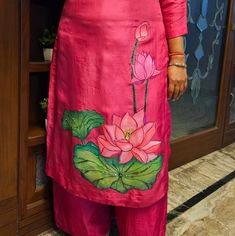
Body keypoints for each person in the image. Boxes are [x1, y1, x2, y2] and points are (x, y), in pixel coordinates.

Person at [46, 0, 188, 235]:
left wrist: (178, 58)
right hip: (80, 46)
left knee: (142, 137)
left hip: (140, 45)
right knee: (82, 137)